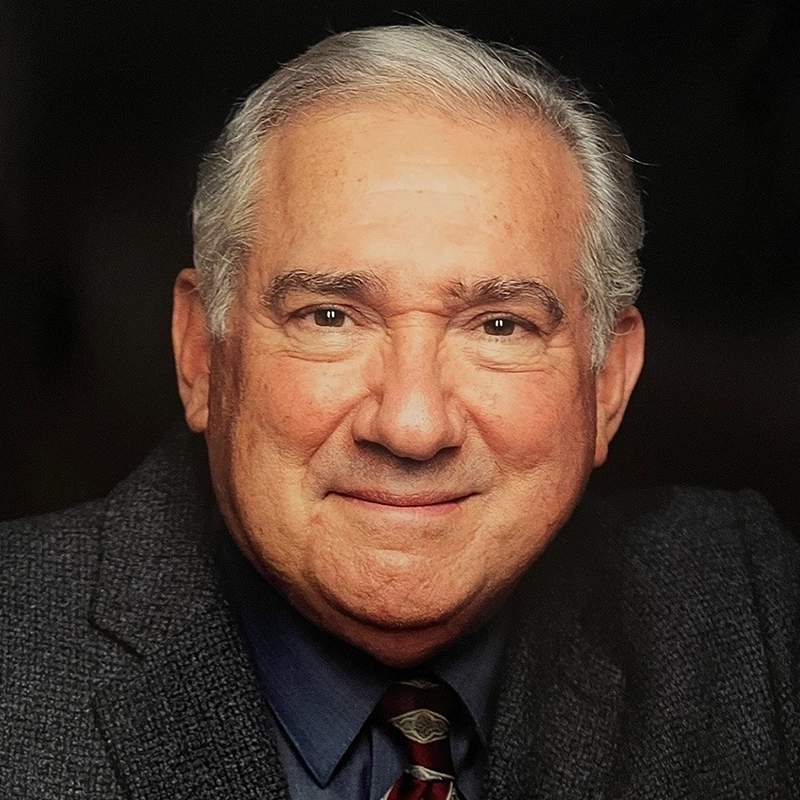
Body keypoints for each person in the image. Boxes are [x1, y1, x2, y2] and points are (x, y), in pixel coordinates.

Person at [1, 23, 798, 800]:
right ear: (201, 354)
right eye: (329, 316)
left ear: (608, 380)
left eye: (500, 325)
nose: (412, 426)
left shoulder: (749, 606)